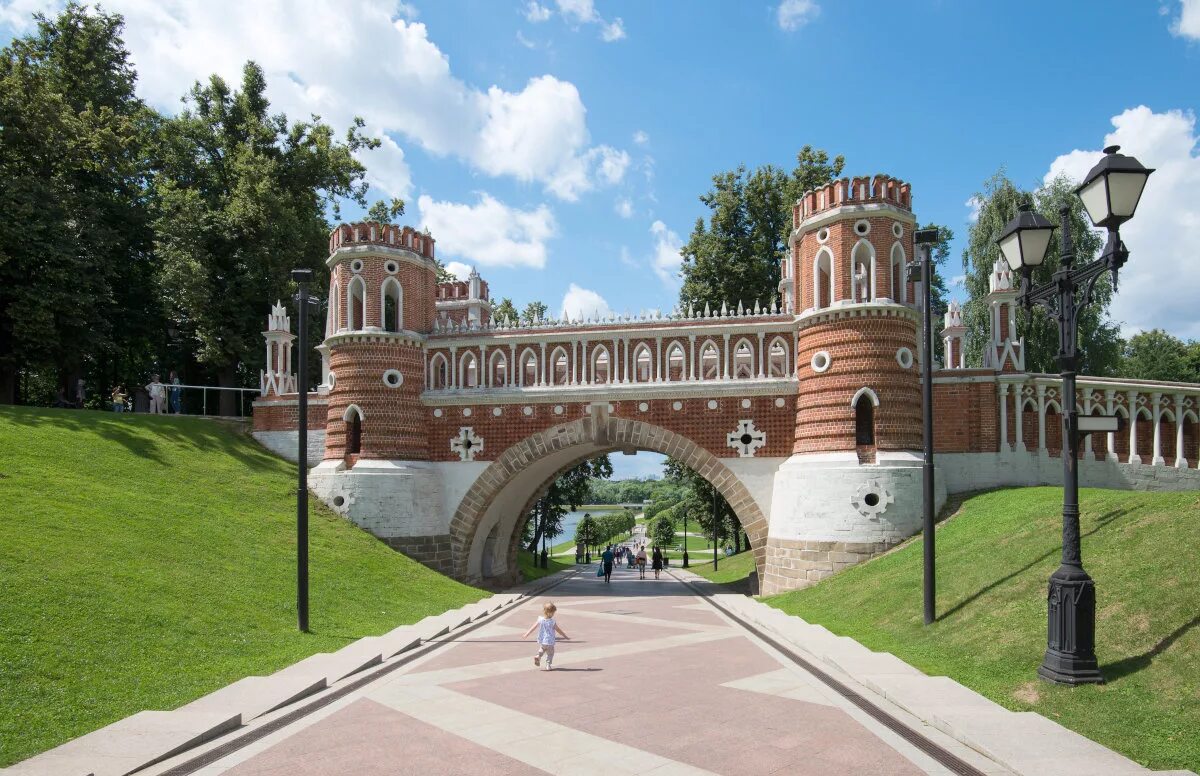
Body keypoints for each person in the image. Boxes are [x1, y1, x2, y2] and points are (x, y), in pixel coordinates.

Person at [523, 601, 569, 672]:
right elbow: (558, 630)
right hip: (550, 641)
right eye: (553, 613)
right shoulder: (552, 622)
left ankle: (538, 656)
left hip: (543, 640)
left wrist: (527, 634)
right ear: (550, 613)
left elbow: (533, 627)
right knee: (550, 653)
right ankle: (548, 665)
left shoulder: (540, 619)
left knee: (542, 648)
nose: (553, 614)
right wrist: (565, 636)